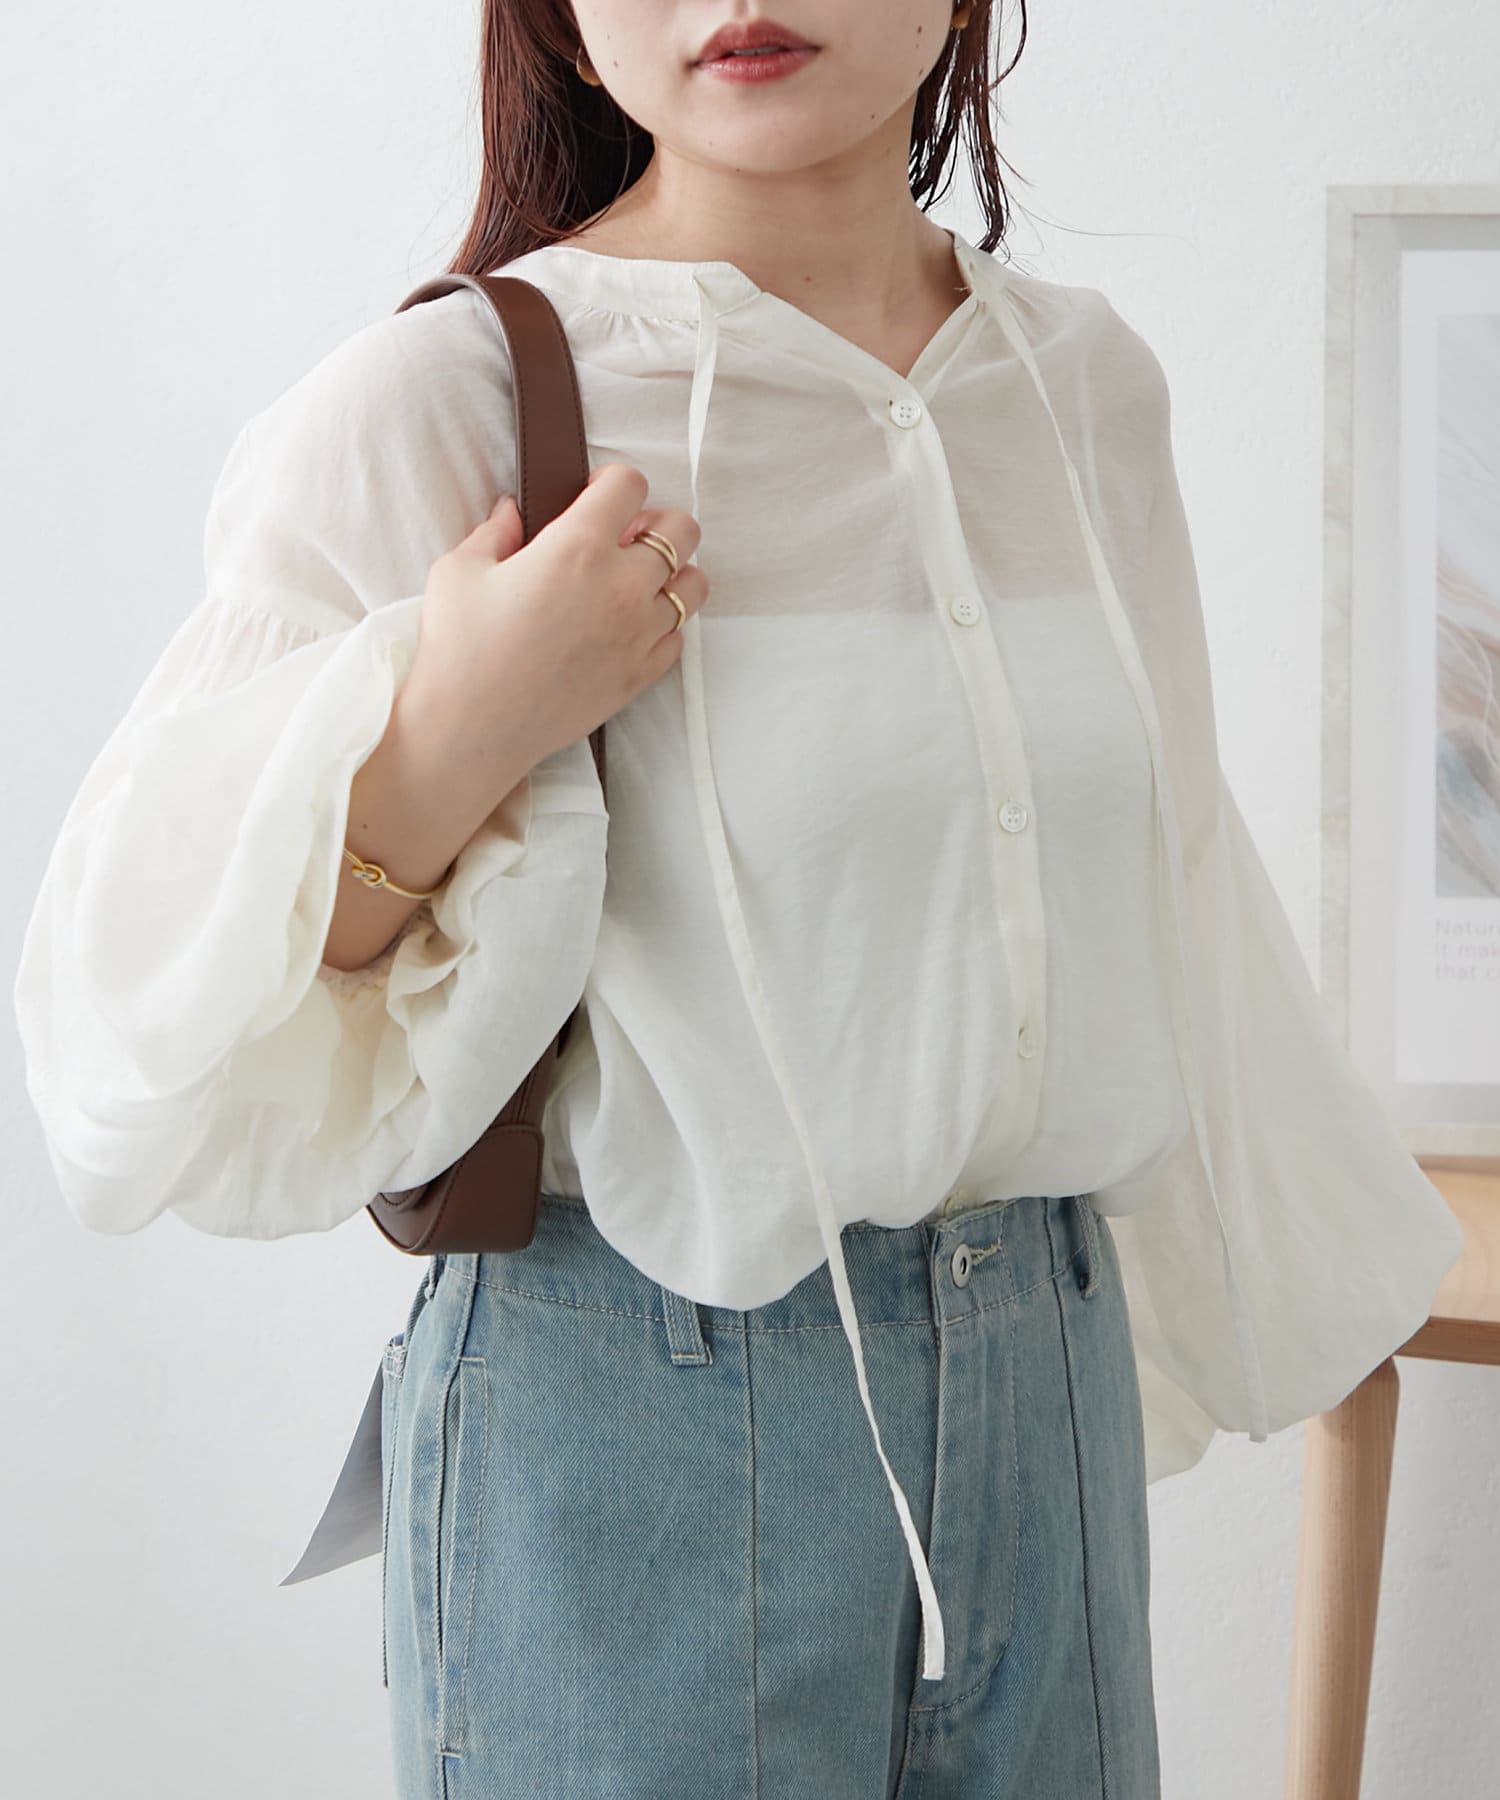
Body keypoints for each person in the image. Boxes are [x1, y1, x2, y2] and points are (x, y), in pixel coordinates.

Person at [12, 2, 1464, 1797]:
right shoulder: (447, 403)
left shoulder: (1084, 383)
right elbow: (143, 1032)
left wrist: (1316, 1286)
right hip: (633, 1439)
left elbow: (1175, 890)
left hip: (1049, 1405)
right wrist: (455, 727)